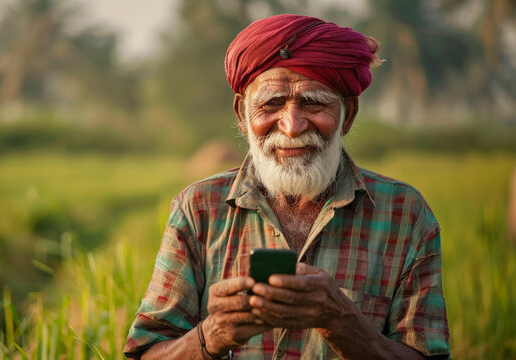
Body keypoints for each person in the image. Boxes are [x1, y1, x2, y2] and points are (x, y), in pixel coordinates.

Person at [124, 14, 450, 359]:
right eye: (271, 103)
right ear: (242, 115)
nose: (292, 126)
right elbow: (147, 352)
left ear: (348, 114)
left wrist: (341, 322)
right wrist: (214, 334)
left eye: (313, 102)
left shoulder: (404, 213)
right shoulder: (199, 208)